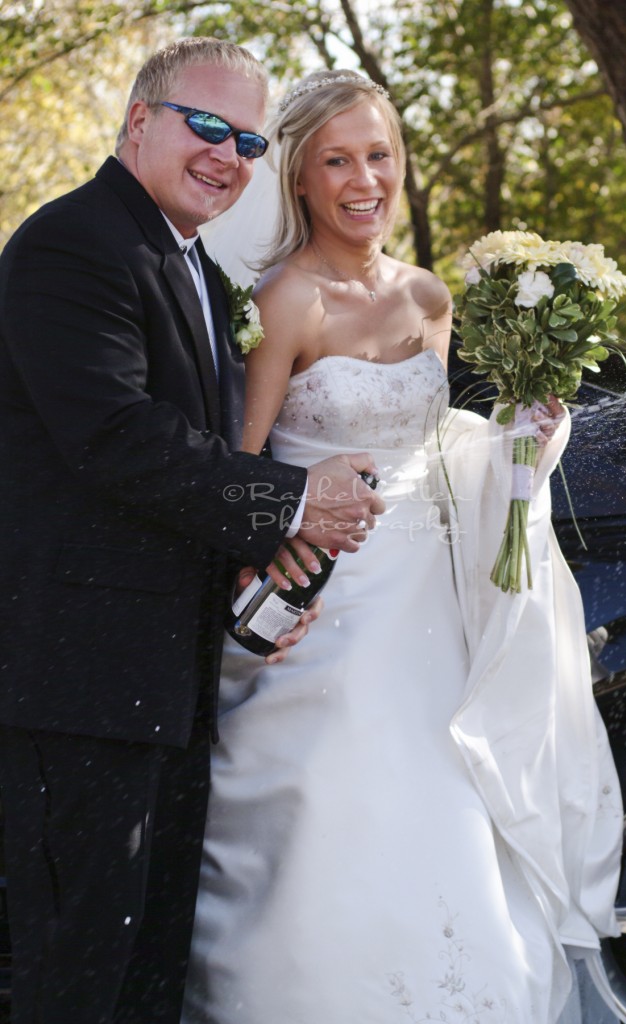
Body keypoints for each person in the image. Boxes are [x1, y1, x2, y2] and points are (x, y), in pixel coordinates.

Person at [181, 70, 624, 1024]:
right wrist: (267, 564)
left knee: (455, 797)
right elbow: (242, 471)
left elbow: (442, 449)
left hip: (437, 598)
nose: (362, 180)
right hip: (328, 603)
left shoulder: (429, 296)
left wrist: (525, 436)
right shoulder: (283, 301)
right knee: (339, 798)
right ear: (298, 179)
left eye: (377, 155)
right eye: (335, 161)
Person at [0, 42, 385, 1024]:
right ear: (138, 121)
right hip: (76, 686)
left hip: (164, 682)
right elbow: (116, 437)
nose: (227, 153)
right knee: (73, 967)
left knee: (150, 964)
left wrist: (249, 584)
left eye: (247, 138)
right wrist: (292, 503)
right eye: (204, 126)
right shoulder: (71, 244)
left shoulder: (194, 269)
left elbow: (203, 447)